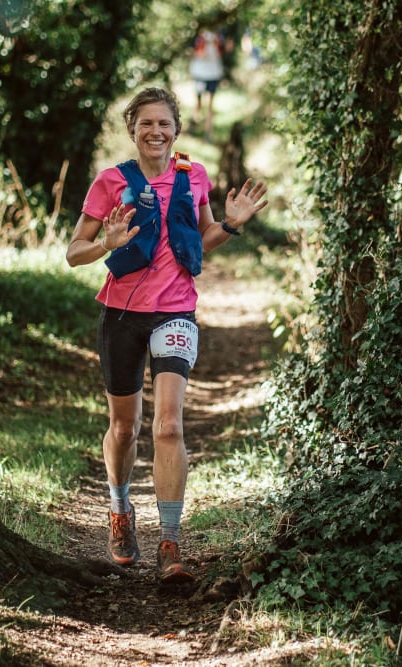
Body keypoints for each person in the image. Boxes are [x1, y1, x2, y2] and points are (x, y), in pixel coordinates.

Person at [65, 87, 268, 584]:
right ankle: (120, 510)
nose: (155, 131)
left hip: (176, 312)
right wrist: (105, 244)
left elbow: (202, 239)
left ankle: (170, 543)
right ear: (132, 129)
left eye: (164, 123)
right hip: (121, 315)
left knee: (170, 427)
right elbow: (74, 252)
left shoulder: (193, 176)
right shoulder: (110, 182)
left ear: (176, 130)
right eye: (146, 123)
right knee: (124, 428)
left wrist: (231, 224)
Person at [188, 29, 227, 141]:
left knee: (210, 105)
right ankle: (194, 126)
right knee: (198, 102)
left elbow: (223, 51)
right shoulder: (199, 37)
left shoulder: (219, 36)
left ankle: (208, 132)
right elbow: (197, 53)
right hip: (200, 74)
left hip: (213, 75)